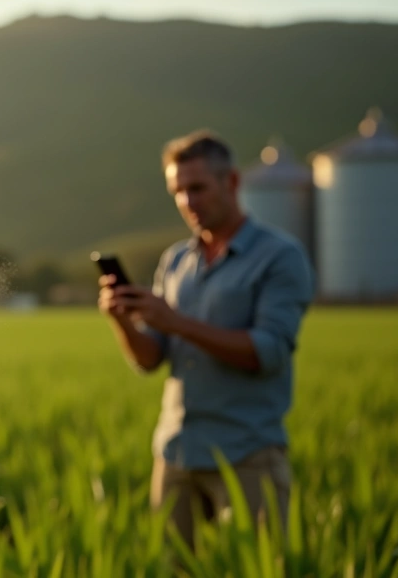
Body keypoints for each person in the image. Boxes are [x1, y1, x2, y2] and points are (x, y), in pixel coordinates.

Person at [98, 130, 314, 549]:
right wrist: (122, 321)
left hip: (247, 453)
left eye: (196, 188)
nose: (187, 202)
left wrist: (176, 321)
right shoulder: (176, 260)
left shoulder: (280, 256)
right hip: (176, 453)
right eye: (177, 191)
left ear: (231, 182)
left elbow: (268, 352)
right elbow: (150, 360)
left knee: (261, 568)